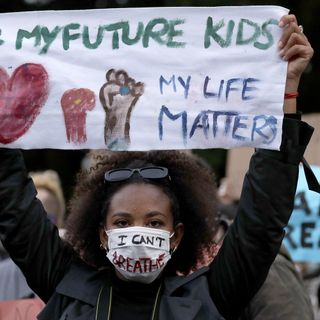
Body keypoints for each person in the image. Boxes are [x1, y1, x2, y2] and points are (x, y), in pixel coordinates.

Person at [0, 14, 315, 320]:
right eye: (122, 223)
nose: (137, 234)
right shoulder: (66, 287)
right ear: (102, 234)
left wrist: (284, 93)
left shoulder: (211, 295)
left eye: (154, 222)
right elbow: (13, 207)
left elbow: (262, 220)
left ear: (176, 234)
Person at [0, 169, 66, 301]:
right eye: (31, 219)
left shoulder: (71, 272)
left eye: (47, 219)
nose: (38, 228)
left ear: (60, 221)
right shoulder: (3, 274)